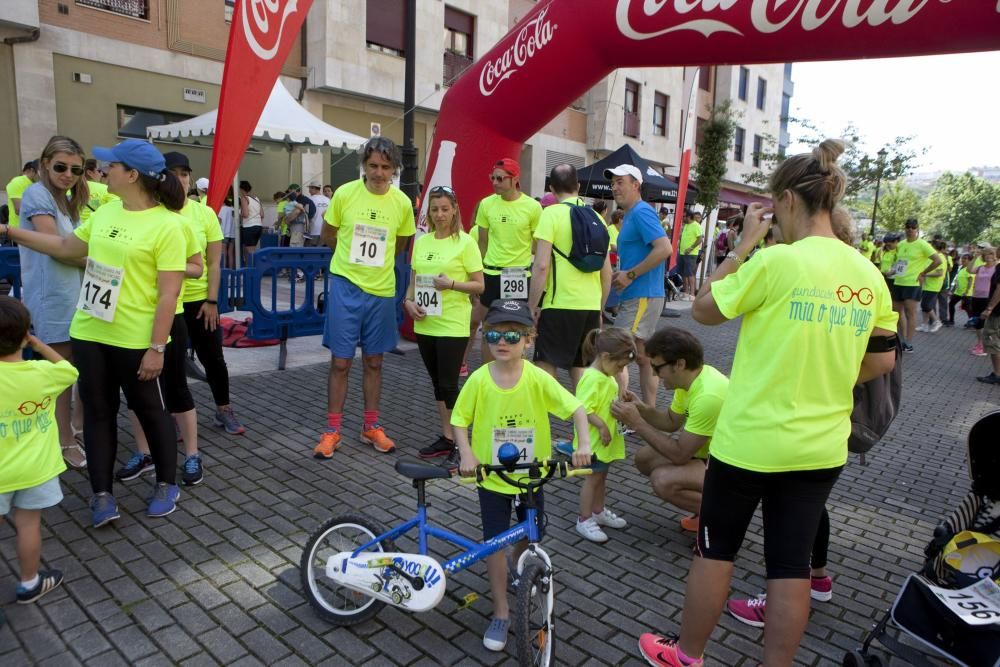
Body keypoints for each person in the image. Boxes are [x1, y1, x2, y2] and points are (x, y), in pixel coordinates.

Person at [637, 140, 898, 667]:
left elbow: (704, 311)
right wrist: (831, 367)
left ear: (785, 200)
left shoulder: (776, 262)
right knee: (790, 565)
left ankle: (687, 656)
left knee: (716, 553)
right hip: (820, 448)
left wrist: (741, 249)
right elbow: (882, 363)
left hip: (749, 442)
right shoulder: (867, 274)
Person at [1, 138, 192, 527]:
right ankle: (101, 494)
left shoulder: (169, 225)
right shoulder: (105, 213)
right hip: (89, 331)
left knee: (149, 410)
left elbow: (169, 293)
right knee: (98, 413)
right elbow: (64, 246)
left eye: (111, 166)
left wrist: (157, 347)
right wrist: (8, 229)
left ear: (132, 174)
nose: (102, 170)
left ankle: (166, 483)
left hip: (136, 338)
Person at [452, 299, 592, 651]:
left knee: (532, 535)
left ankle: (520, 568)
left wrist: (583, 444)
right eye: (494, 333)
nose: (502, 341)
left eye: (513, 335)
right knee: (493, 543)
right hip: (492, 475)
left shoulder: (537, 378)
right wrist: (466, 452)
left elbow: (576, 408)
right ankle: (501, 611)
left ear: (529, 340)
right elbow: (458, 419)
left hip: (532, 475)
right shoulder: (480, 379)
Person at [314, 137, 415, 457]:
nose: (379, 173)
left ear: (394, 170)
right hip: (346, 286)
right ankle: (332, 431)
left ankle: (370, 426)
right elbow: (328, 236)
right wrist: (351, 264)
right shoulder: (344, 194)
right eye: (373, 165)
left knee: (374, 361)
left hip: (381, 291)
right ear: (364, 166)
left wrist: (377, 268)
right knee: (341, 362)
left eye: (386, 167)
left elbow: (401, 243)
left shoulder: (401, 203)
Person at [0, 298, 78, 606]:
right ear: (24, 336)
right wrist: (38, 343)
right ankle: (29, 582)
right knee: (29, 525)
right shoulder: (43, 373)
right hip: (35, 470)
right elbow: (69, 371)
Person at [17, 136, 89, 469]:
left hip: (76, 297)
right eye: (61, 167)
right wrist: (95, 264)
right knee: (61, 375)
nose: (68, 174)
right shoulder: (36, 194)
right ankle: (64, 440)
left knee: (79, 369)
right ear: (45, 163)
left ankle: (74, 429)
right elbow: (56, 246)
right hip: (53, 298)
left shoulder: (68, 200)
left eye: (76, 169)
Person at [612, 326, 727, 534]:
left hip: (731, 469)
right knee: (644, 458)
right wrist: (642, 409)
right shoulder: (689, 380)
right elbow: (670, 421)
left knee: (662, 480)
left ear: (680, 364)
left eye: (657, 368)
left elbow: (680, 455)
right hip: (709, 457)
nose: (654, 374)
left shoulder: (708, 396)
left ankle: (723, 516)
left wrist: (637, 423)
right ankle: (707, 508)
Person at [404, 185, 484, 464]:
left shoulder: (465, 242)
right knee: (438, 384)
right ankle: (447, 437)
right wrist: (408, 301)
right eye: (434, 209)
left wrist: (451, 284)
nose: (439, 215)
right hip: (426, 324)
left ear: (454, 210)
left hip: (452, 324)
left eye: (444, 209)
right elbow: (414, 280)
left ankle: (463, 445)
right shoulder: (423, 241)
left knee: (450, 385)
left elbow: (479, 284)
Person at [528, 164, 612, 388]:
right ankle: (584, 421)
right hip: (590, 308)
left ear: (551, 189)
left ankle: (545, 419)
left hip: (559, 305)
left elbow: (542, 266)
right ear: (578, 186)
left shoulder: (551, 214)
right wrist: (600, 309)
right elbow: (607, 273)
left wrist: (531, 307)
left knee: (545, 366)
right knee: (581, 369)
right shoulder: (598, 218)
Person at [607, 164, 671, 406]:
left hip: (642, 295)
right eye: (613, 183)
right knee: (643, 358)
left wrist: (630, 275)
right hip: (639, 294)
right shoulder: (634, 213)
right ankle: (647, 412)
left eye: (620, 182)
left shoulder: (642, 212)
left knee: (614, 354)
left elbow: (665, 248)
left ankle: (620, 411)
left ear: (636, 185)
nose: (614, 187)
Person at [565, 327, 636, 543]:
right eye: (620, 365)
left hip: (604, 439)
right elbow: (583, 408)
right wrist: (603, 426)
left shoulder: (606, 375)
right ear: (605, 357)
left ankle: (598, 510)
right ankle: (584, 518)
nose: (620, 370)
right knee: (593, 478)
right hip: (595, 439)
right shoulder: (592, 378)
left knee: (601, 476)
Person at [473, 158, 542, 366]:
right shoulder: (486, 204)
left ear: (514, 180)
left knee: (515, 328)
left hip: (518, 275)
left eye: (500, 178)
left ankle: (515, 376)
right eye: (492, 178)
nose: (494, 182)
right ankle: (487, 376)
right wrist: (478, 274)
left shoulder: (532, 207)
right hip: (492, 273)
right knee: (489, 328)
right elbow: (482, 243)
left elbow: (538, 246)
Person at [889, 218, 941, 353]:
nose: (910, 229)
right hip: (898, 282)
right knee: (896, 314)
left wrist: (924, 273)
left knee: (910, 313)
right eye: (908, 227)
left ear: (917, 229)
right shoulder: (900, 244)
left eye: (913, 227)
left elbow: (937, 260)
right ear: (904, 228)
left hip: (912, 284)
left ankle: (908, 342)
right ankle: (899, 339)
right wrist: (891, 272)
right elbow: (900, 263)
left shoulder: (922, 244)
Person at [969, 247, 997, 357]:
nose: (988, 256)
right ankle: (980, 343)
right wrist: (975, 257)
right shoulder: (980, 267)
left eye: (990, 254)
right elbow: (969, 270)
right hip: (976, 297)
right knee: (977, 322)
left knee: (985, 323)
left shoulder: (996, 269)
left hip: (988, 298)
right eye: (986, 254)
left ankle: (985, 346)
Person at [976, 259, 1000, 384]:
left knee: (992, 340)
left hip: (997, 312)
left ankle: (997, 374)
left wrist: (989, 308)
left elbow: (999, 290)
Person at [917, 239, 947, 334]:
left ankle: (936, 321)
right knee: (925, 306)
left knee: (926, 305)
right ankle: (925, 325)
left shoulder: (940, 257)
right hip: (927, 285)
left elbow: (940, 273)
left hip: (933, 286)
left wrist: (925, 274)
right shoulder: (932, 257)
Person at [80, 158, 118, 225]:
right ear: (90, 173)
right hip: (94, 229)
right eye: (99, 171)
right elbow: (117, 211)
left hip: (72, 230)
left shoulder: (69, 189)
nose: (101, 174)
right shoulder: (106, 190)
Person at [4, 160, 39, 229]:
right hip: (18, 229)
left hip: (36, 228)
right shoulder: (17, 182)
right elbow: (19, 210)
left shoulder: (39, 183)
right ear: (32, 171)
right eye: (41, 173)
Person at [678, 211, 703, 298]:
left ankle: (692, 294)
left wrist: (691, 248)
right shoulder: (686, 225)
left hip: (691, 254)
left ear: (689, 216)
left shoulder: (696, 225)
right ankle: (686, 292)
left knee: (690, 273)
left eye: (684, 216)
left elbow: (700, 239)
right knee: (684, 273)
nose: (683, 218)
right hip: (682, 253)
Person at [239, 180, 264, 264]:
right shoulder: (256, 199)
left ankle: (252, 270)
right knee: (253, 250)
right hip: (258, 226)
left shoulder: (244, 198)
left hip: (249, 227)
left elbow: (245, 214)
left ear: (241, 189)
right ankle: (251, 268)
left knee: (250, 252)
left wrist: (239, 214)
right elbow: (262, 214)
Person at [946, 253, 974, 326]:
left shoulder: (970, 269)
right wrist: (952, 290)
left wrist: (966, 291)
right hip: (958, 292)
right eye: (962, 258)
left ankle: (972, 322)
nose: (963, 259)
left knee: (968, 309)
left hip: (966, 293)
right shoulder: (961, 268)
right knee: (951, 304)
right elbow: (957, 280)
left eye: (965, 258)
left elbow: (970, 281)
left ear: (970, 261)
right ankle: (951, 320)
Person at [306, 183, 330, 248]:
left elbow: (306, 215)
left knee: (310, 253)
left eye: (310, 189)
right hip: (325, 231)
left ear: (314, 188)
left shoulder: (309, 199)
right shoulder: (328, 200)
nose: (309, 191)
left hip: (312, 230)